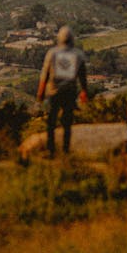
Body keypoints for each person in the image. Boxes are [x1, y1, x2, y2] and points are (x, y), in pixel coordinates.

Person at [36, 25, 88, 157]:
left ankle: (51, 149)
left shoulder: (52, 53)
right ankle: (65, 149)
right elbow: (82, 76)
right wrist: (84, 92)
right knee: (67, 122)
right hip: (70, 92)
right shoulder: (78, 54)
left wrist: (40, 92)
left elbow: (45, 74)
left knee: (51, 121)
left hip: (54, 92)